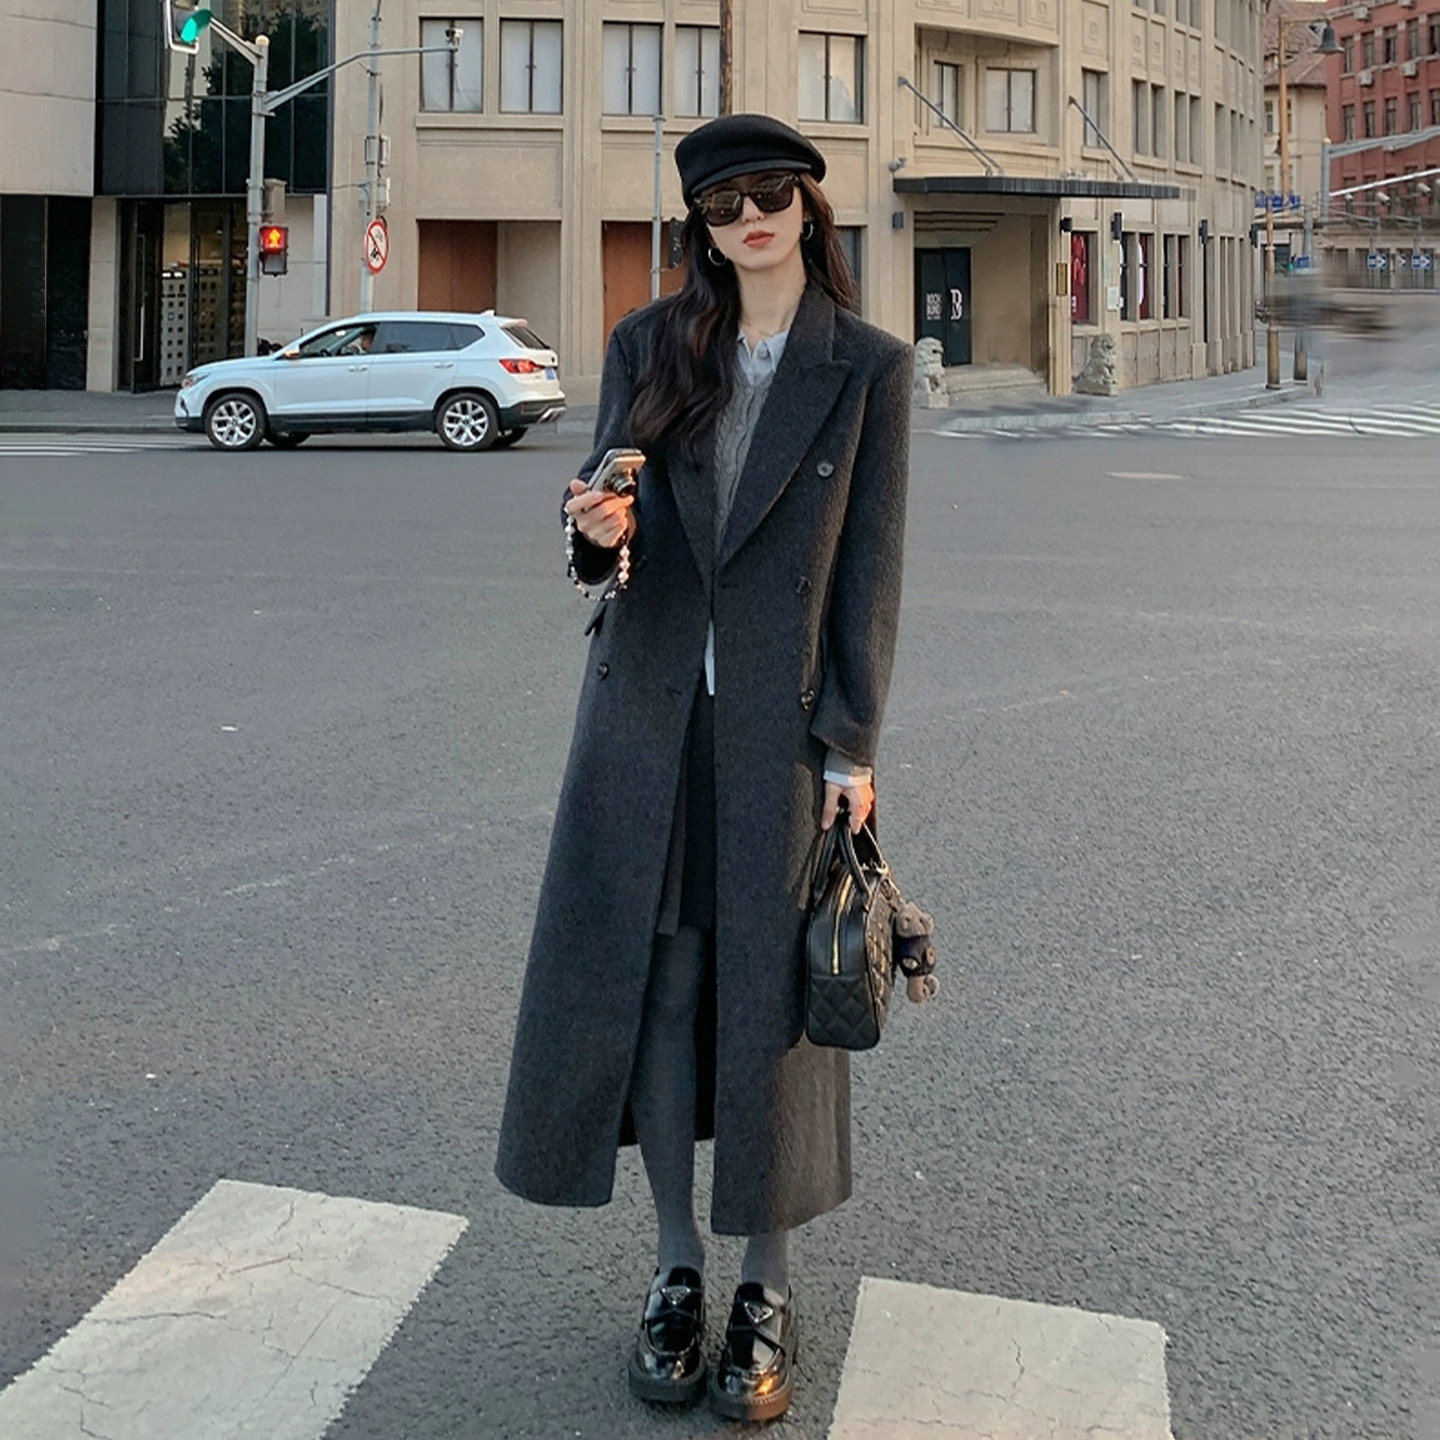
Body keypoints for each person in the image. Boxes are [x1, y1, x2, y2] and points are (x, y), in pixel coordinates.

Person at [495, 113, 912, 1423]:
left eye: (771, 193)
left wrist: (851, 743)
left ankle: (765, 1284)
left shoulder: (867, 368)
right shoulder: (650, 345)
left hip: (778, 732)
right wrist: (595, 524)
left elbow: (871, 571)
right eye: (724, 206)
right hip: (650, 718)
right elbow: (600, 528)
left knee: (767, 999)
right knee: (667, 989)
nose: (751, 219)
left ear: (808, 206)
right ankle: (677, 1268)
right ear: (702, 230)